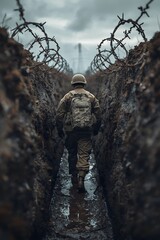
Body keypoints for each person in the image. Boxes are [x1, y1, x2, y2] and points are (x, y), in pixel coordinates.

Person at [56, 73, 101, 192]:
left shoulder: (68, 97)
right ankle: (81, 178)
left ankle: (74, 177)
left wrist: (59, 129)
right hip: (86, 130)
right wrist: (96, 128)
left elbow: (59, 115)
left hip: (71, 131)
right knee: (84, 154)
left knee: (72, 153)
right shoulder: (91, 97)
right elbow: (98, 114)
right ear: (84, 83)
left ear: (73, 84)